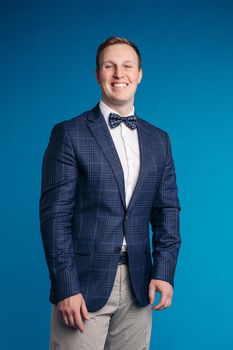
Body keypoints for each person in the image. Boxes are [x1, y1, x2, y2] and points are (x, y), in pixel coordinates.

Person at [39, 36, 181, 350]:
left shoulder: (160, 140)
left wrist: (164, 271)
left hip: (139, 286)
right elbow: (55, 217)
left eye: (127, 66)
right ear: (97, 74)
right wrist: (65, 286)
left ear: (140, 74)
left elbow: (167, 210)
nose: (119, 73)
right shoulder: (69, 133)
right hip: (82, 286)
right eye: (109, 66)